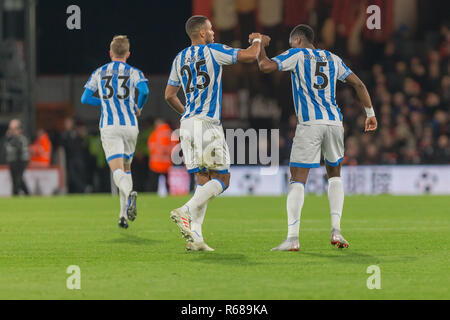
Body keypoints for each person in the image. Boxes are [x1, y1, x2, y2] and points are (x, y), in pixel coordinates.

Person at [257, 24, 378, 251]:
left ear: (299, 41)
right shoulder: (333, 58)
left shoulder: (297, 54)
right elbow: (359, 84)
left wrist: (260, 46)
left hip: (310, 124)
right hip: (334, 123)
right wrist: (370, 114)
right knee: (334, 175)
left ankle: (292, 238)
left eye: (292, 43)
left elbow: (265, 66)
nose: (291, 46)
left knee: (297, 177)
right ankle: (337, 231)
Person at [165, 15, 262, 251]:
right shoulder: (213, 51)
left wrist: (186, 111)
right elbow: (250, 55)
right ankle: (185, 209)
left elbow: (169, 95)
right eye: (210, 30)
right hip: (207, 124)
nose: (213, 33)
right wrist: (258, 40)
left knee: (203, 179)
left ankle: (196, 238)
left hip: (187, 124)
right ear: (201, 34)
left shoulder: (179, 58)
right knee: (223, 179)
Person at [81, 35, 149, 229]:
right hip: (130, 126)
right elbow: (144, 91)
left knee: (117, 171)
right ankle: (122, 216)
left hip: (110, 126)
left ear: (110, 53)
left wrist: (103, 103)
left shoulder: (99, 72)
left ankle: (130, 195)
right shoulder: (134, 72)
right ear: (128, 53)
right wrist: (139, 107)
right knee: (127, 169)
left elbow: (85, 98)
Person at [147, 118, 177, 193]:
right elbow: (174, 146)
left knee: (154, 182)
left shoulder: (155, 133)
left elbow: (150, 146)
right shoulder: (170, 132)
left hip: (155, 162)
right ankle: (169, 194)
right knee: (167, 181)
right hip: (166, 161)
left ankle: (153, 194)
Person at [4, 119, 30, 195]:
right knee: (17, 179)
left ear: (19, 130)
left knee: (17, 179)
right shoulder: (10, 139)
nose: (12, 131)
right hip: (12, 161)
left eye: (14, 129)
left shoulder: (21, 138)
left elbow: (20, 150)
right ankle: (27, 193)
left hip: (20, 161)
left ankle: (15, 193)